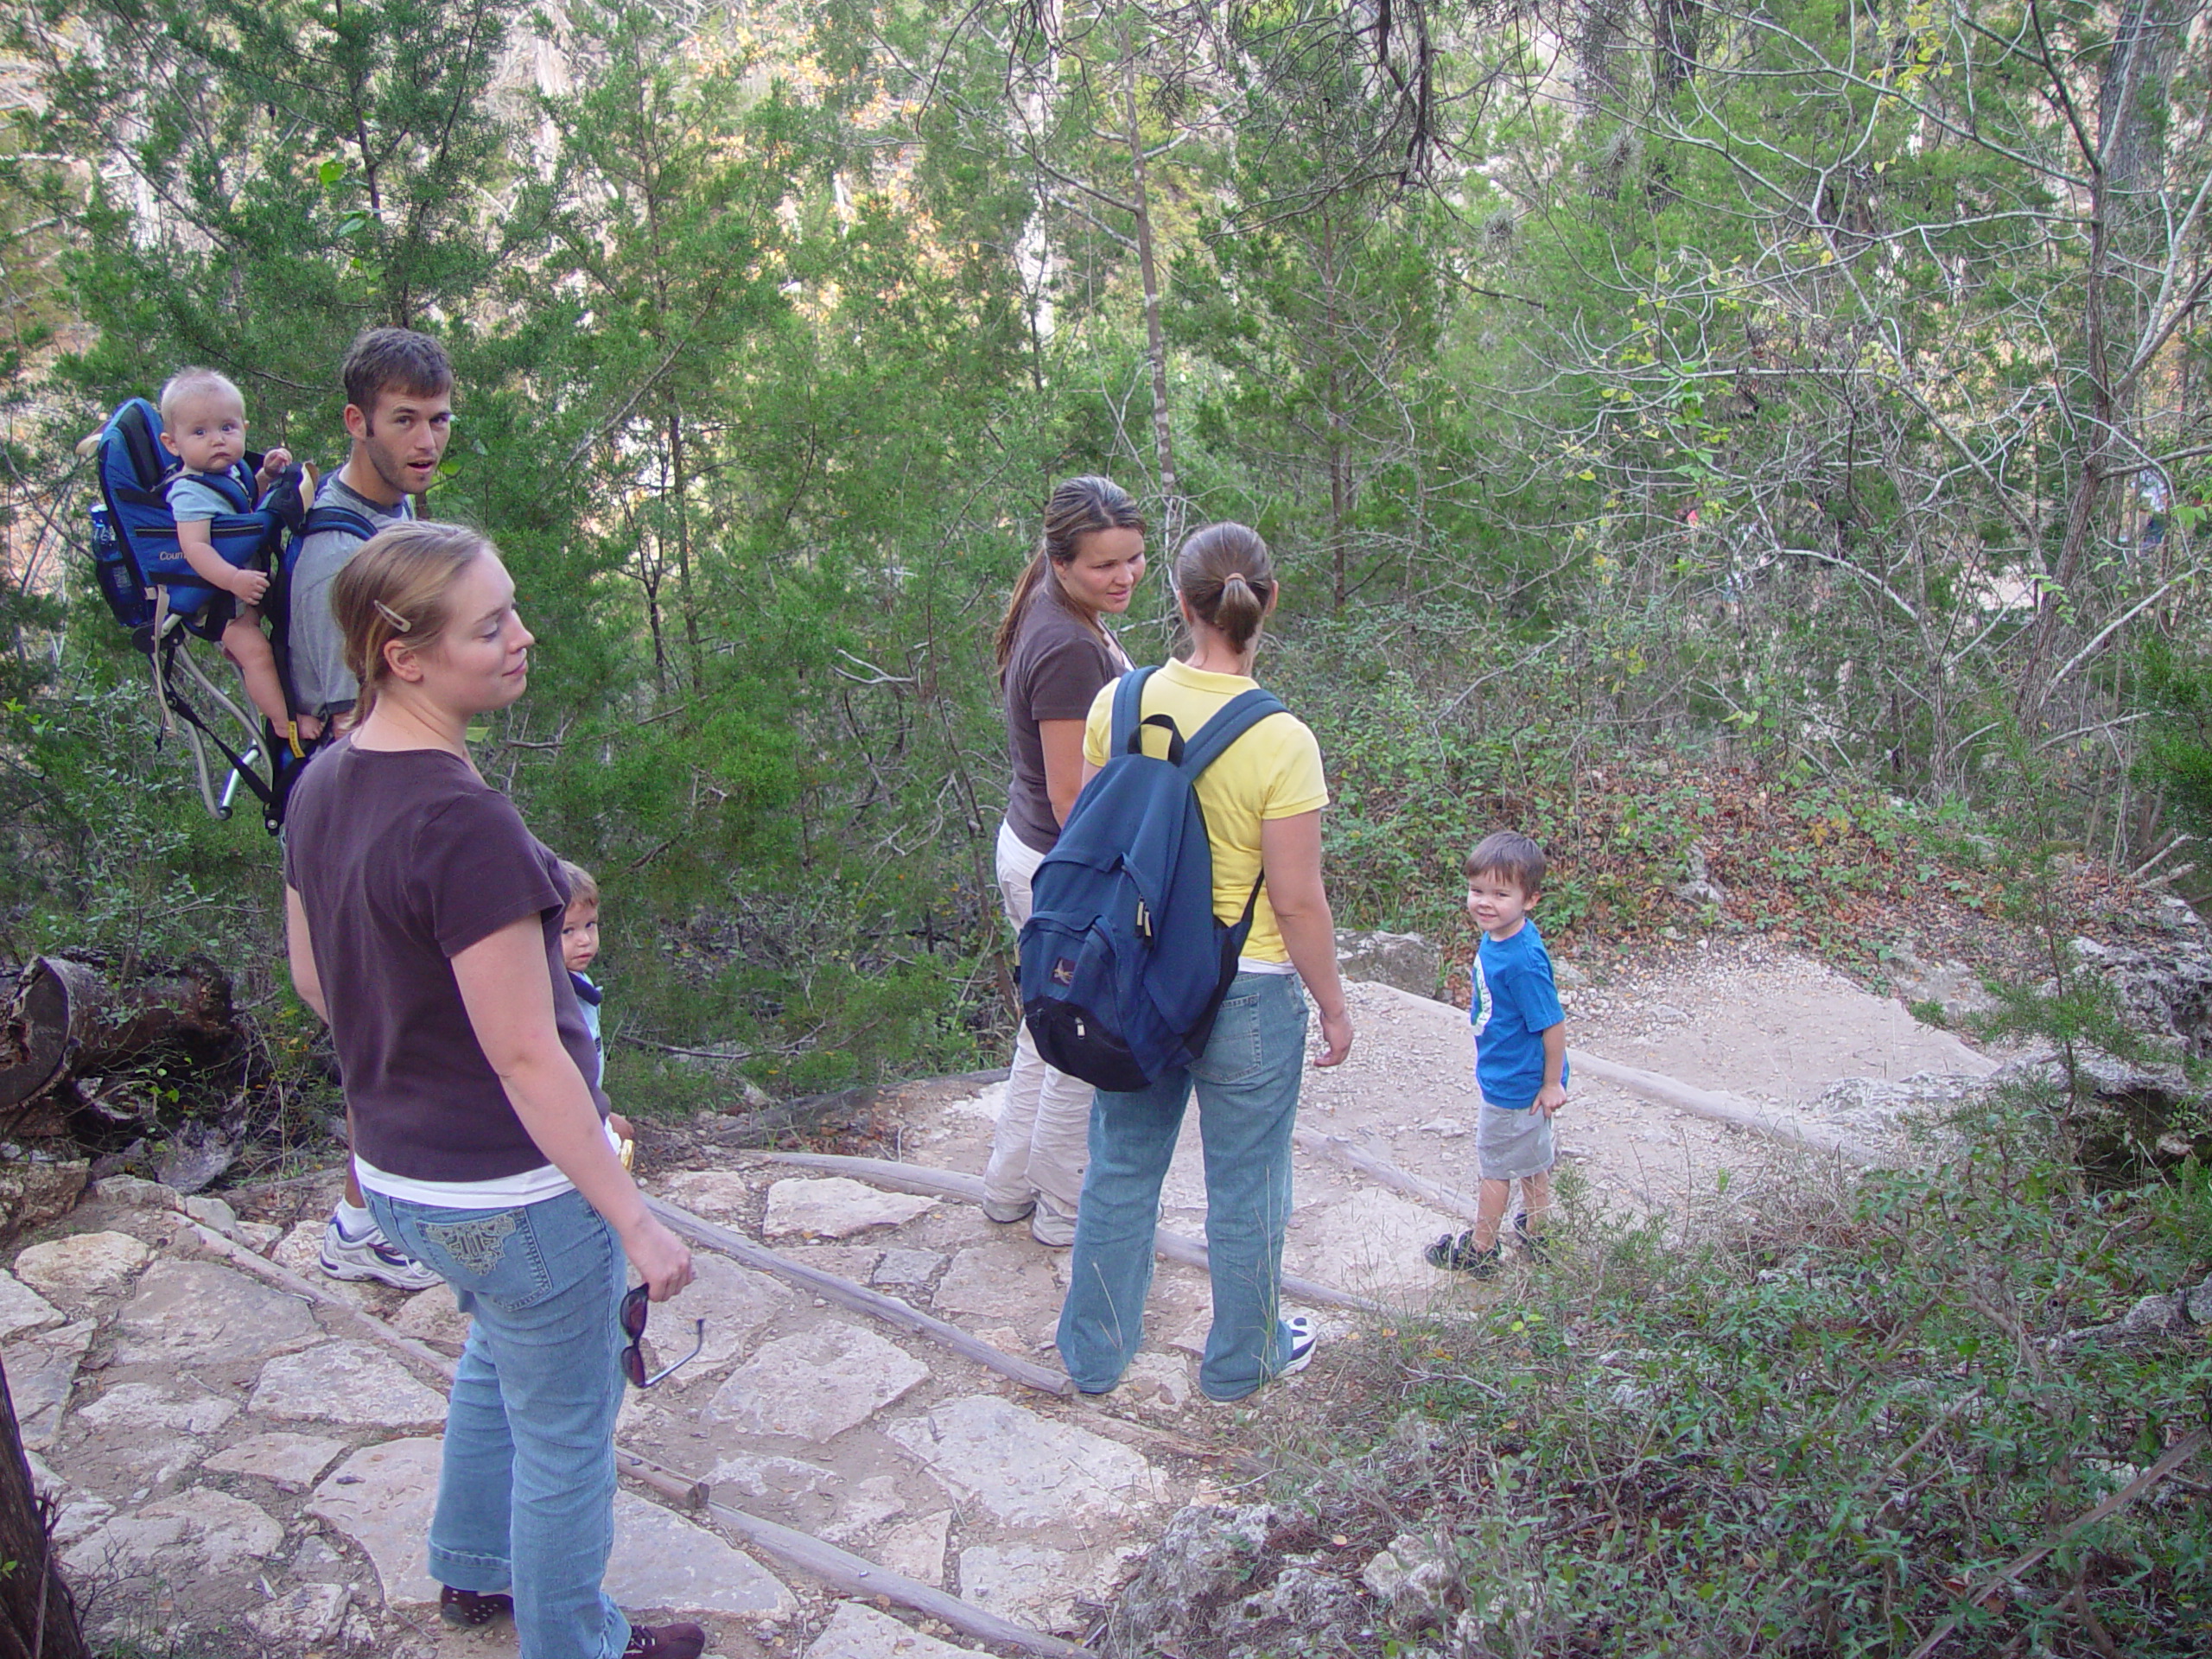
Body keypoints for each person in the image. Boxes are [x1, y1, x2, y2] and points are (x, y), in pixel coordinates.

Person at [283, 521, 704, 1659]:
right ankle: (579, 1644)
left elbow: (315, 977)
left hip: (401, 1177)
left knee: (497, 1346)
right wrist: (631, 1216)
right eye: (490, 626)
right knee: (568, 1429)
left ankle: (472, 1569)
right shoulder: (463, 825)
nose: (523, 636)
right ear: (402, 654)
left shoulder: (326, 782)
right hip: (511, 1192)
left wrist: (415, 1056)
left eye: (510, 608)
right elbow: (529, 1055)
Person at [1054, 522, 1353, 1403]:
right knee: (1248, 1183)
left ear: (1180, 604)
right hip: (1246, 990)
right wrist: (1333, 1005)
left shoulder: (1122, 702)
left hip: (1135, 979)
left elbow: (1097, 835)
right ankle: (1239, 1362)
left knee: (1120, 1166)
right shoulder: (1281, 739)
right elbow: (1297, 900)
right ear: (1267, 603)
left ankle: (1095, 1355)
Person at [299, 327, 456, 1292]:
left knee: (397, 1017)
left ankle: (372, 1210)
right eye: (405, 420)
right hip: (359, 819)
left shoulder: (387, 522)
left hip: (389, 811)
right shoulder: (335, 547)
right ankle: (369, 1221)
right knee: (380, 1018)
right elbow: (335, 714)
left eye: (438, 419)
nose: (427, 439)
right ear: (358, 421)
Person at [983, 476, 1148, 1248]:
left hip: (1035, 854)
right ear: (1060, 560)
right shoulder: (1068, 646)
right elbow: (1072, 794)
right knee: (1080, 1039)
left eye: (1136, 560)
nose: (1123, 578)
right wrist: (1118, 886)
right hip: (1062, 864)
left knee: (1041, 1032)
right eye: (1103, 567)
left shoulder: (1060, 612)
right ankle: (1063, 1214)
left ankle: (1008, 1190)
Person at [1426, 831, 1569, 1278]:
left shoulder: (1522, 960)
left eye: (1501, 894)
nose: (1485, 903)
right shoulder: (1501, 936)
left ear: (1530, 900)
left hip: (1516, 1084)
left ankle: (1482, 1248)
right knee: (1531, 1156)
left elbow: (1552, 1022)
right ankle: (1539, 1229)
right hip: (1512, 1071)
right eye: (1477, 891)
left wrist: (1549, 1084)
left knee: (1495, 1168)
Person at [156, 367, 296, 734]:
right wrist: (233, 579)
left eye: (227, 428)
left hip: (241, 589)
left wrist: (265, 475)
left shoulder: (228, 473)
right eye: (200, 432)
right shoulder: (190, 491)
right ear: (173, 444)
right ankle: (284, 723)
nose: (217, 440)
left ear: (244, 428)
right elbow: (195, 548)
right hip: (219, 603)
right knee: (258, 655)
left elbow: (244, 506)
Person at [559, 861, 607, 1085]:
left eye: (590, 924)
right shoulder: (551, 991)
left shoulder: (579, 979)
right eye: (568, 930)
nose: (585, 940)